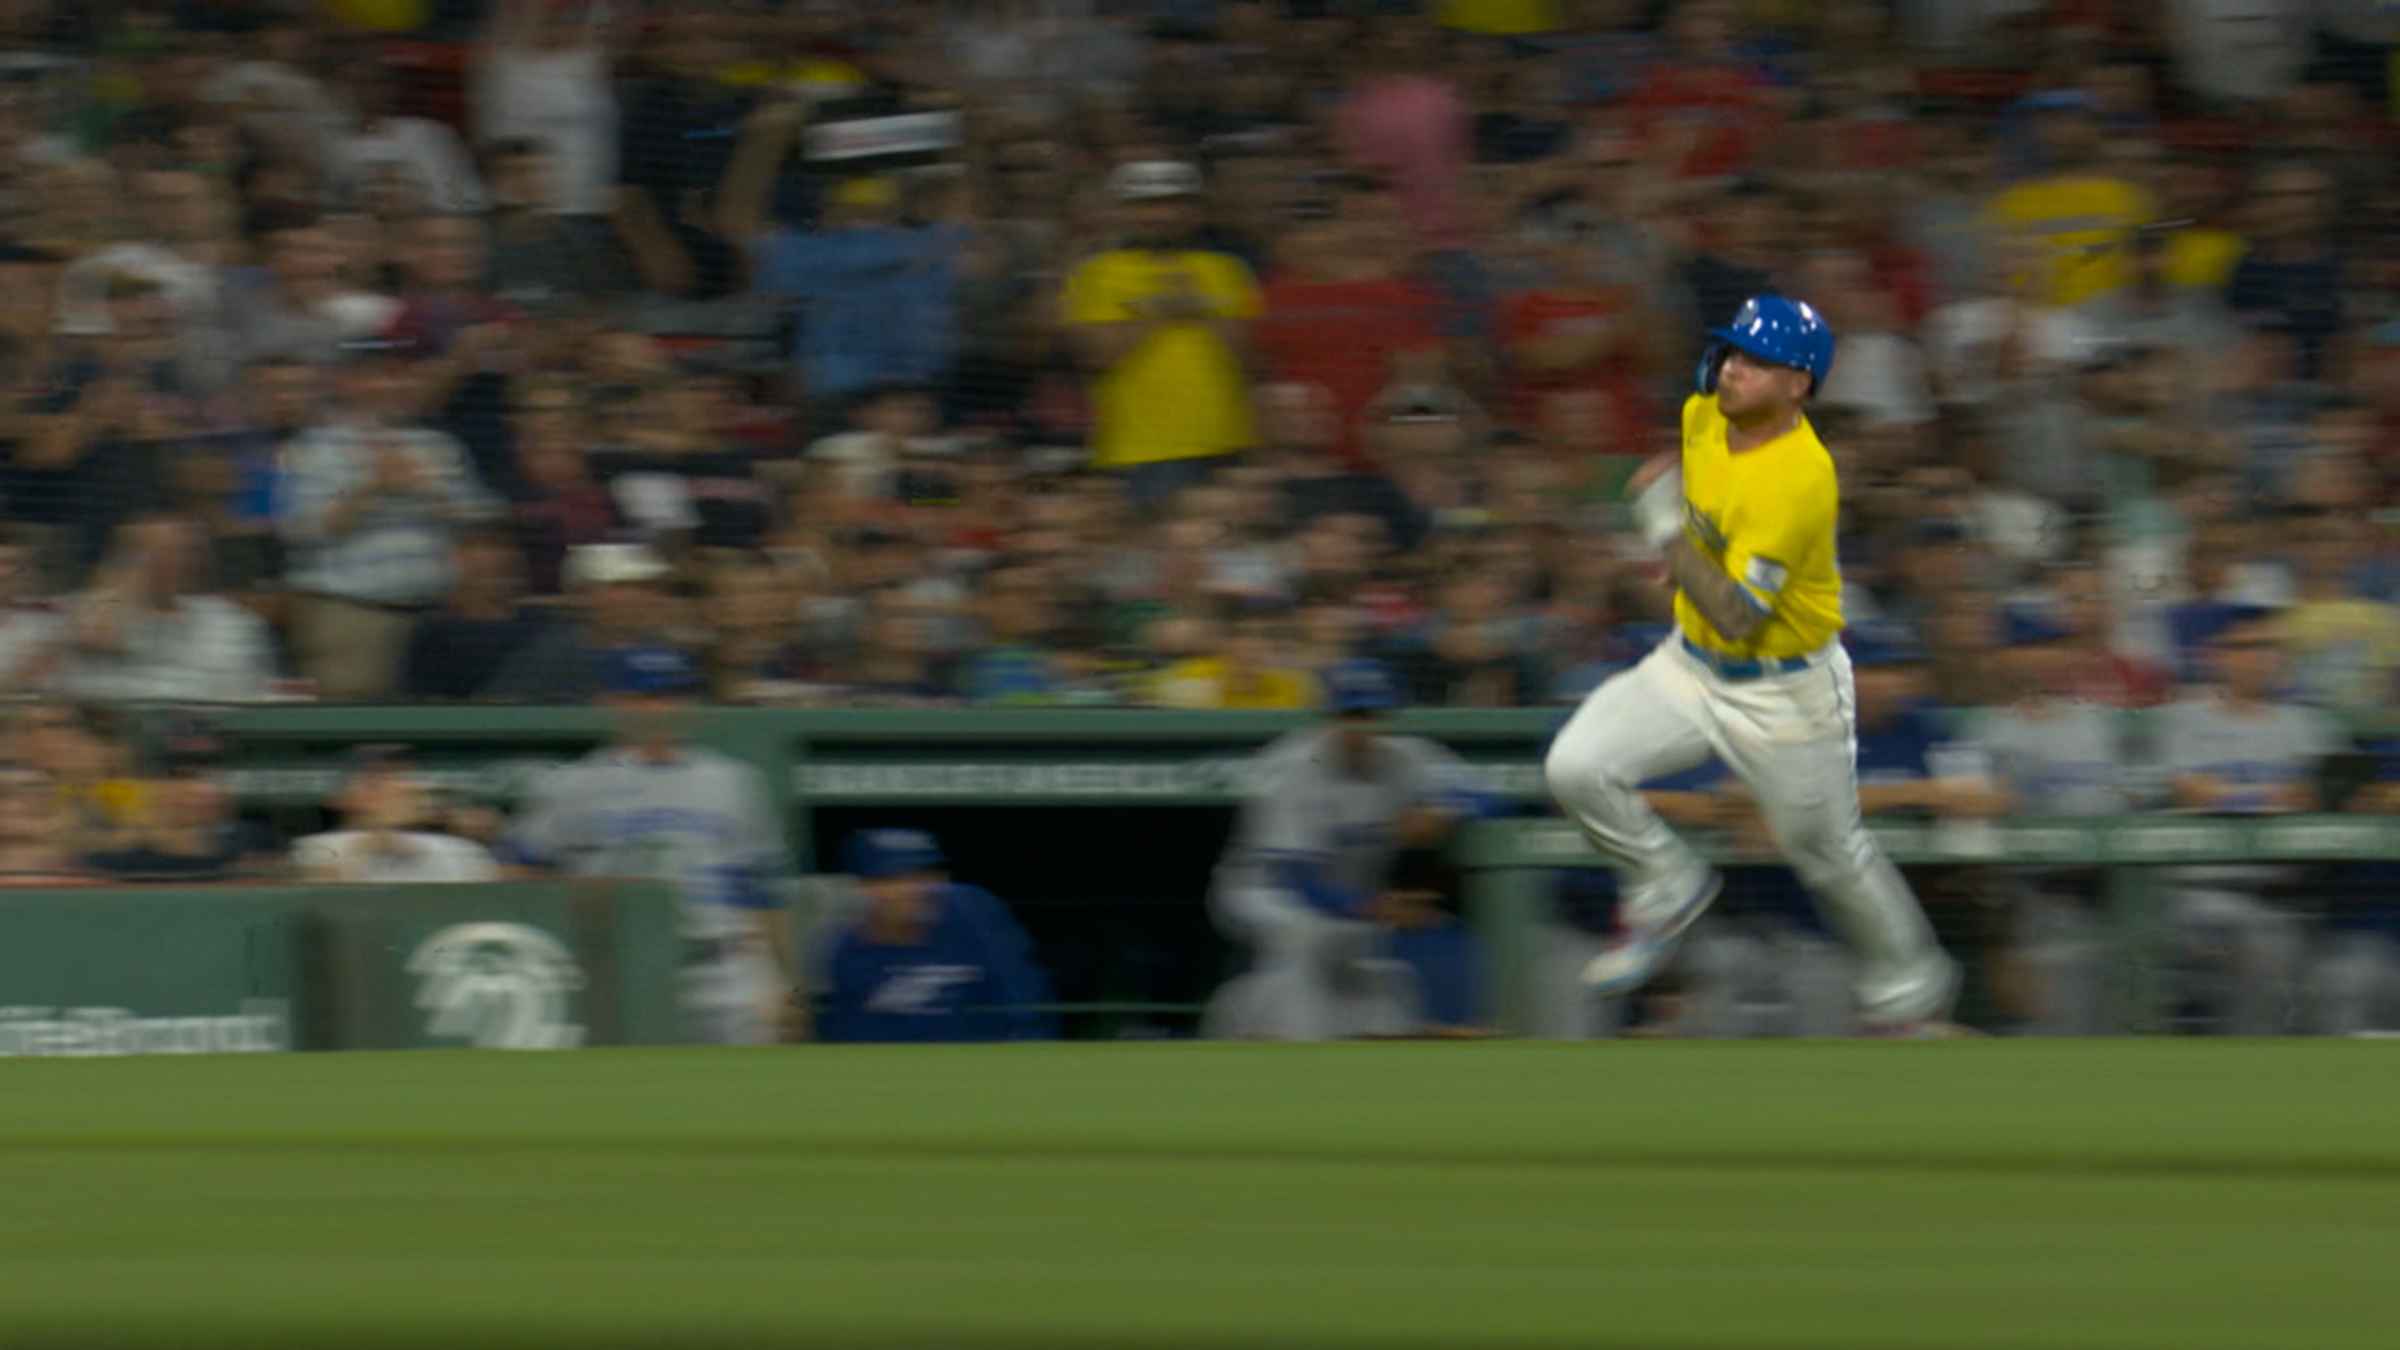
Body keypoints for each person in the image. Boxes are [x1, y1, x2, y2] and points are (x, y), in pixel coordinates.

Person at [1541, 294, 1960, 1035]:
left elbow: (1740, 613)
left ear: (1799, 384)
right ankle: (1664, 884)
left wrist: (1667, 532)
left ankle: (1912, 996)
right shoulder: (1704, 413)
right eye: (1733, 352)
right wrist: (1684, 543)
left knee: (1829, 856)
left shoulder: (1800, 478)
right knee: (1576, 767)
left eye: (1758, 362)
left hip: (1786, 692)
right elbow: (1697, 494)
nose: (1734, 369)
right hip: (1689, 667)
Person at [502, 645, 804, 1045]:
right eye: (646, 697)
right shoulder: (571, 785)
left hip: (721, 966)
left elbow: (763, 893)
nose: (662, 708)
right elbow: (517, 874)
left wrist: (785, 981)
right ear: (612, 703)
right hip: (619, 970)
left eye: (673, 695)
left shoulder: (734, 781)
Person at [1203, 659, 1485, 1040]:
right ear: (1328, 716)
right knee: (1307, 936)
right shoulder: (1294, 765)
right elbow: (1296, 878)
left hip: (1348, 895)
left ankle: (1246, 1015)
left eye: (1371, 714)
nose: (1360, 726)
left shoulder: (1407, 757)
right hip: (1261, 891)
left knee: (1369, 969)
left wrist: (1445, 811)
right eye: (1350, 714)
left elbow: (1487, 795)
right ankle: (1298, 1043)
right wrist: (1375, 907)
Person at [813, 828, 1054, 1044]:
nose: (913, 889)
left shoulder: (973, 913)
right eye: (893, 878)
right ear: (864, 888)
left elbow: (1025, 1006)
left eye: (923, 875)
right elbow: (850, 1040)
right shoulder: (846, 952)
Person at [291, 746, 501, 884]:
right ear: (341, 797)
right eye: (376, 781)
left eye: (401, 777)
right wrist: (380, 833)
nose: (397, 788)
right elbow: (325, 904)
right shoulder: (316, 848)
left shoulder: (457, 850)